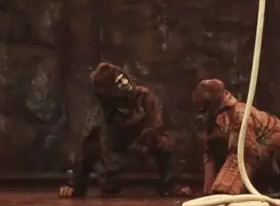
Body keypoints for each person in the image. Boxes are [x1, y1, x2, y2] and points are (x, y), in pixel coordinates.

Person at [58, 63, 190, 198]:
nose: (125, 83)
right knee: (95, 152)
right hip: (117, 143)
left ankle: (170, 184)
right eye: (119, 82)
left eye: (123, 78)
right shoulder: (105, 111)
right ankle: (77, 186)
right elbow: (97, 143)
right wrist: (76, 182)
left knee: (165, 142)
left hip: (144, 138)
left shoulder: (143, 97)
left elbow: (155, 124)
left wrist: (140, 144)